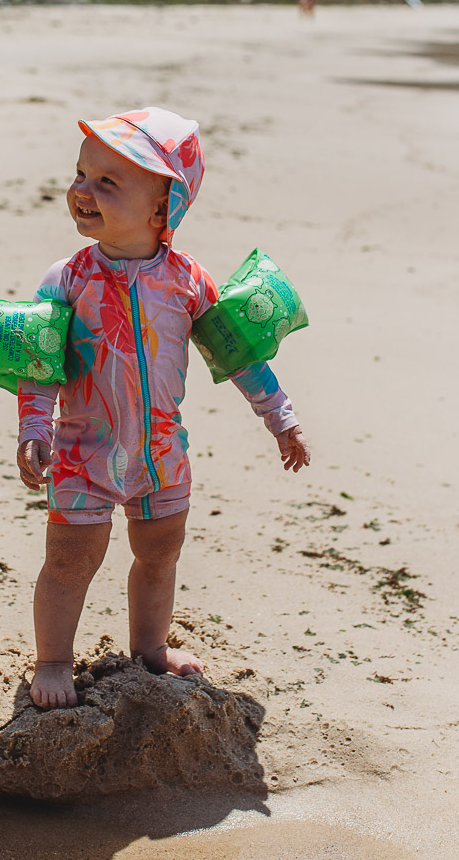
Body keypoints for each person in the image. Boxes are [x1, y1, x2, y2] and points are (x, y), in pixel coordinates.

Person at [16, 108, 311, 709]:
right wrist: (33, 427)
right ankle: (52, 662)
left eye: (106, 182)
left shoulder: (188, 281)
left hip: (160, 450)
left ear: (163, 208)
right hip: (83, 448)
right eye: (81, 174)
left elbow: (241, 356)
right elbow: (38, 364)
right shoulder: (67, 279)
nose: (82, 191)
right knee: (71, 559)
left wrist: (280, 416)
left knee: (160, 551)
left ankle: (150, 649)